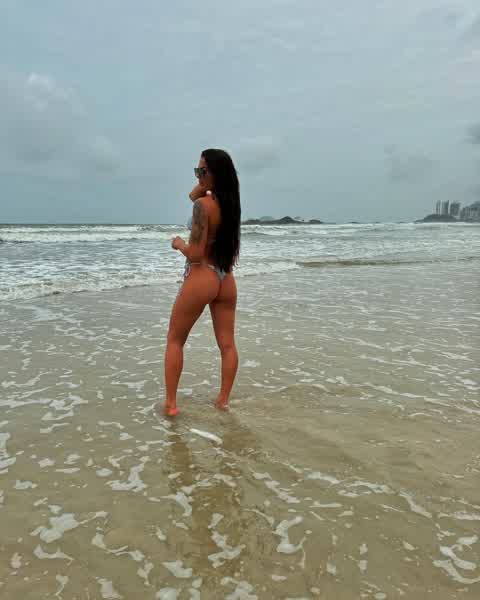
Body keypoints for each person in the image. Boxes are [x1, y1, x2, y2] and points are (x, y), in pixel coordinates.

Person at [161, 149, 241, 417]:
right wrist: (199, 188)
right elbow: (195, 196)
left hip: (202, 275)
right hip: (225, 277)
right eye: (196, 171)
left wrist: (178, 244)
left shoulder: (203, 206)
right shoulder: (230, 204)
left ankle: (171, 406)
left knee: (175, 339)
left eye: (202, 171)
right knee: (227, 344)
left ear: (216, 174)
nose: (197, 176)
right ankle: (223, 401)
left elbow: (195, 253)